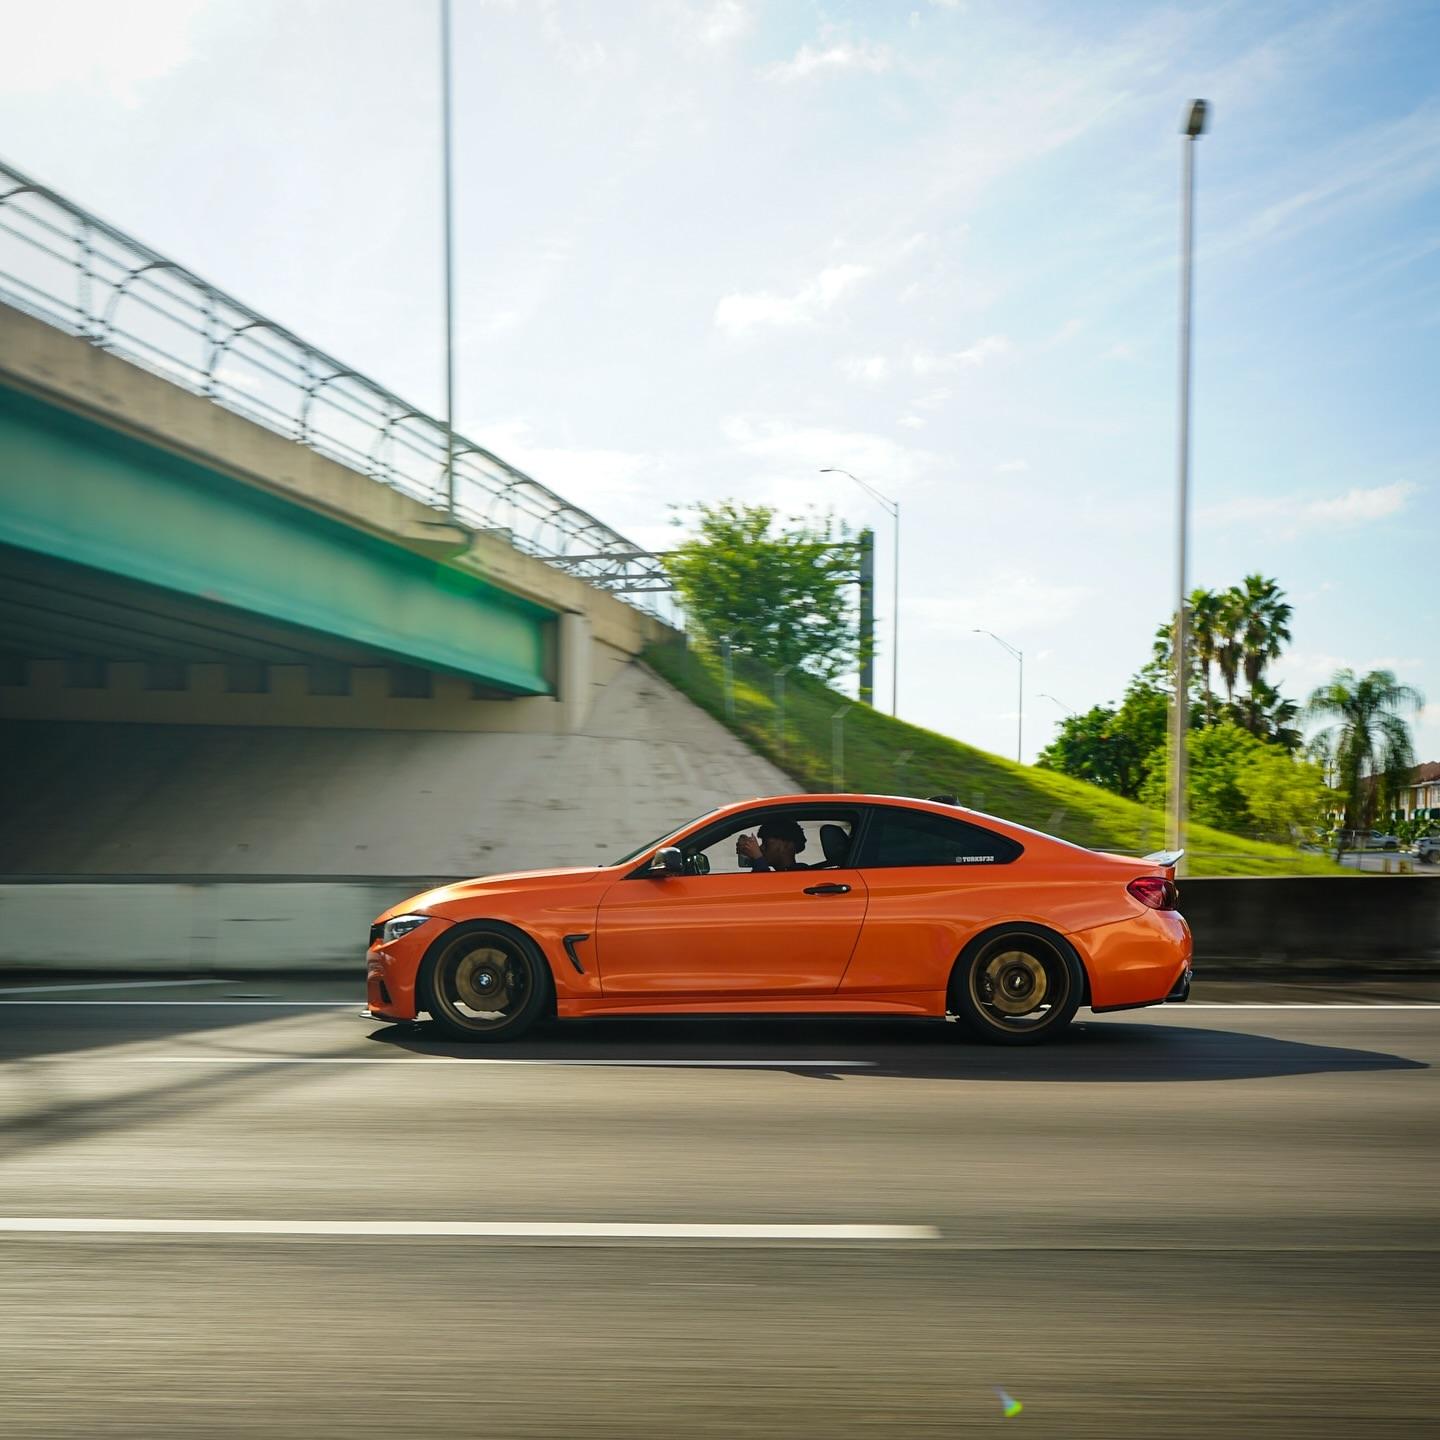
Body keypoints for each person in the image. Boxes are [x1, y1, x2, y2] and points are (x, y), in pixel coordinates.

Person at [735, 817, 810, 872]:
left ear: (787, 845)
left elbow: (766, 886)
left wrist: (758, 858)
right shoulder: (781, 873)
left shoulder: (802, 873)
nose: (761, 848)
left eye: (766, 844)